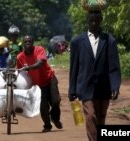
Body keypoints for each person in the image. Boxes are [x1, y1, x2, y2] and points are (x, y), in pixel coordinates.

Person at [68, 10, 121, 141]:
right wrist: (72, 89)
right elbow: (74, 67)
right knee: (91, 116)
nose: (94, 23)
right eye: (91, 20)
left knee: (101, 118)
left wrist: (115, 86)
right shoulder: (77, 41)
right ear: (87, 21)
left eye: (97, 21)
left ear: (101, 21)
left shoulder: (109, 40)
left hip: (104, 87)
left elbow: (114, 66)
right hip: (85, 86)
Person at [16, 35, 63, 132]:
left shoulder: (39, 50)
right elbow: (20, 72)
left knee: (56, 100)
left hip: (49, 78)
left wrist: (28, 67)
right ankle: (47, 125)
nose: (28, 43)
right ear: (23, 44)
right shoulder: (20, 57)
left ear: (33, 43)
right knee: (43, 106)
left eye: (30, 41)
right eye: (26, 41)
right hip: (37, 85)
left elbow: (40, 63)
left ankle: (55, 118)